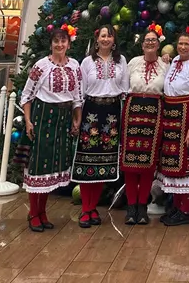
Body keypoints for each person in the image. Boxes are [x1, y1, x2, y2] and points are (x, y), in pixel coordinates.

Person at [21, 28, 83, 232]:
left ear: (69, 44)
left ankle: (43, 211)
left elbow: (78, 97)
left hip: (63, 119)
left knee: (52, 168)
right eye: (56, 41)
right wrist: (29, 121)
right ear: (51, 44)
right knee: (39, 165)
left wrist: (77, 120)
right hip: (44, 116)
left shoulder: (74, 66)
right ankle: (34, 211)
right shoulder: (42, 65)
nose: (60, 45)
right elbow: (27, 95)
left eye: (63, 41)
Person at [73, 25, 129, 228]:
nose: (106, 39)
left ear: (114, 40)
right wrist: (77, 118)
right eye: (103, 36)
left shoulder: (121, 61)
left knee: (104, 165)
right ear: (97, 40)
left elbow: (125, 89)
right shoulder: (87, 62)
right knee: (87, 162)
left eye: (110, 36)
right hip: (92, 113)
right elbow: (79, 92)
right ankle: (86, 209)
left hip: (112, 113)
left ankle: (93, 206)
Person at [157, 27, 189, 226]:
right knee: (171, 163)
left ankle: (185, 210)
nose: (183, 47)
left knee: (185, 163)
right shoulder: (175, 61)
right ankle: (176, 208)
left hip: (186, 116)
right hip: (171, 116)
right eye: (180, 44)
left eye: (187, 44)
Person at [121, 24, 169, 225]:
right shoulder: (132, 63)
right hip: (133, 112)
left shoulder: (166, 66)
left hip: (154, 114)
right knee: (130, 163)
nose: (150, 43)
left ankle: (143, 206)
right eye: (147, 40)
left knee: (148, 163)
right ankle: (131, 207)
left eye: (153, 41)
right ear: (142, 45)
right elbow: (124, 88)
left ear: (158, 45)